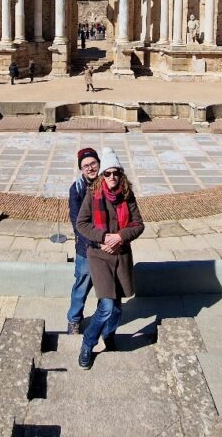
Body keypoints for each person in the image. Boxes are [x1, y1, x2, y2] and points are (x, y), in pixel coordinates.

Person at [75, 147, 144, 370]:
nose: (112, 177)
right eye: (108, 173)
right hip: (99, 256)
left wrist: (120, 237)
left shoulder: (126, 194)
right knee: (106, 306)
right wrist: (104, 237)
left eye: (116, 173)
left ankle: (109, 335)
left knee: (117, 308)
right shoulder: (92, 194)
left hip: (121, 256)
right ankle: (88, 343)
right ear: (102, 175)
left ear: (121, 174)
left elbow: (138, 224)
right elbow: (82, 224)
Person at [67, 147, 100, 334]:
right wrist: (93, 241)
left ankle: (101, 319)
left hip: (105, 247)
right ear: (81, 169)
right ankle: (74, 320)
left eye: (93, 163)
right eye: (86, 165)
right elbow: (76, 221)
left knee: (106, 288)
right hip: (86, 247)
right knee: (81, 287)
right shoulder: (77, 189)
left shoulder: (107, 183)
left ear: (99, 163)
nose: (90, 168)